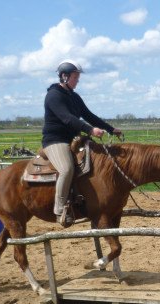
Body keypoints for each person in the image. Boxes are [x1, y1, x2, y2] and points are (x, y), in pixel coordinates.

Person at [42, 60, 123, 227]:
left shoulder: (74, 96)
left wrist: (109, 129)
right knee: (67, 169)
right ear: (65, 76)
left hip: (73, 139)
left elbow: (88, 115)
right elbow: (67, 118)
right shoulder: (53, 96)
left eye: (77, 77)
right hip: (56, 140)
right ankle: (59, 208)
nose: (77, 80)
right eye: (75, 77)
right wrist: (90, 130)